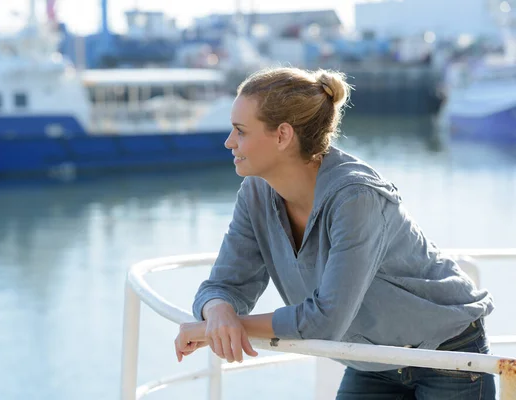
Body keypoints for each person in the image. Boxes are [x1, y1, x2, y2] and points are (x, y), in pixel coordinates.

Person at [173, 67, 495, 399]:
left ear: (283, 135)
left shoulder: (356, 197)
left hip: (448, 353)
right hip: (372, 361)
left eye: (240, 131)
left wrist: (225, 328)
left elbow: (325, 321)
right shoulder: (255, 194)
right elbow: (223, 285)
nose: (229, 142)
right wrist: (218, 313)